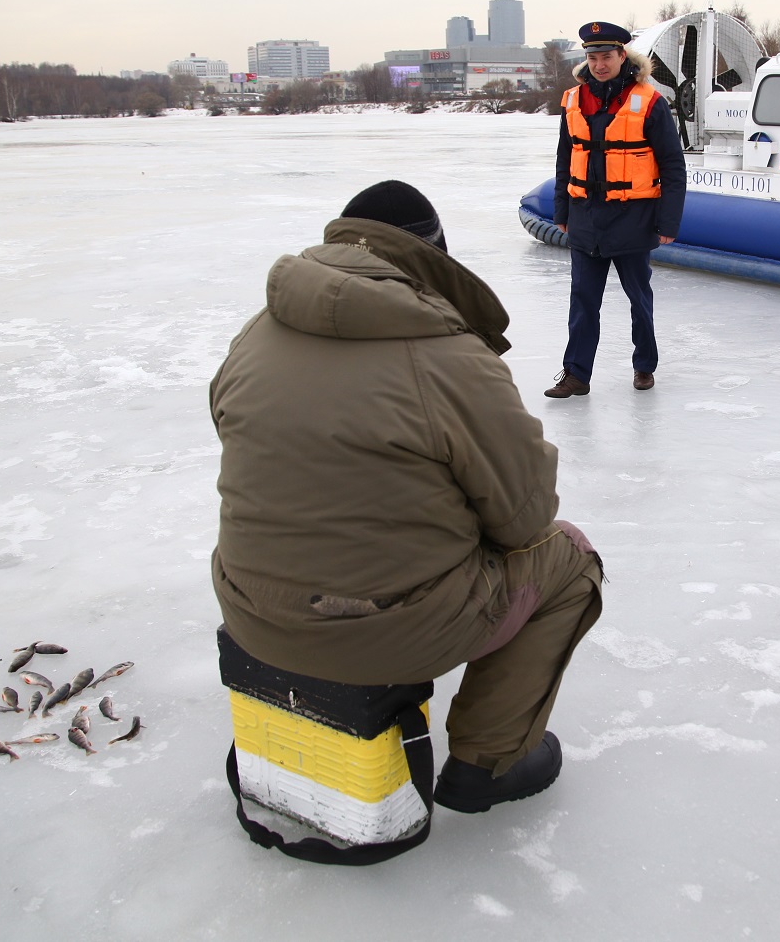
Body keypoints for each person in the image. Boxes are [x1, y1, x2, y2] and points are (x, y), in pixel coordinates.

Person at [209, 180, 603, 813]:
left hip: (252, 611)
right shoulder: (450, 356)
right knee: (571, 559)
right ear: (433, 259)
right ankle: (490, 762)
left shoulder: (255, 333)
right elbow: (526, 517)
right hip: (383, 629)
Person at [545, 21, 687, 398]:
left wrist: (668, 221)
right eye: (592, 57)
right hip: (585, 220)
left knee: (639, 300)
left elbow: (673, 166)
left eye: (606, 56)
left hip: (633, 220)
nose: (599, 64)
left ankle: (644, 366)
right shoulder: (574, 100)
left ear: (622, 56)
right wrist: (562, 212)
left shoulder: (649, 102)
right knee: (583, 302)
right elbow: (564, 160)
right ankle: (576, 374)